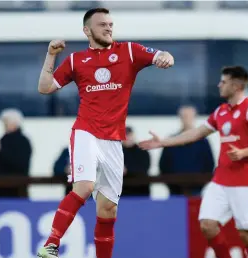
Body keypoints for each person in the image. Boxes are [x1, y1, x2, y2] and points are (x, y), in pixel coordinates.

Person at [37, 8, 174, 258]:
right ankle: (51, 244)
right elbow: (45, 88)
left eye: (110, 24)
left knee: (108, 209)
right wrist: (50, 55)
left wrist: (165, 56)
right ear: (87, 30)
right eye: (102, 24)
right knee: (85, 186)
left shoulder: (129, 51)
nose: (109, 28)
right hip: (86, 131)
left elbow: (161, 55)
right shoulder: (77, 60)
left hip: (113, 140)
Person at [139, 66, 248, 258]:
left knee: (246, 233)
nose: (219, 85)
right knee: (207, 225)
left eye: (223, 82)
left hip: (245, 182)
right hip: (221, 181)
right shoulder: (221, 111)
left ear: (235, 86)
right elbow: (196, 133)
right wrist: (164, 142)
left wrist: (243, 152)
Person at [159, 105, 214, 195]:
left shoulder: (203, 141)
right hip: (175, 191)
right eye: (184, 116)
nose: (187, 119)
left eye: (189, 116)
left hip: (197, 190)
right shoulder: (172, 140)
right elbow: (164, 164)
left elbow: (209, 164)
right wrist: (171, 184)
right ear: (180, 118)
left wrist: (201, 183)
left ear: (194, 117)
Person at [0, 108, 32, 197]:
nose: (4, 124)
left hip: (14, 190)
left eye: (6, 121)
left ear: (14, 123)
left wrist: (0, 150)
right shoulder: (3, 140)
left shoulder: (23, 141)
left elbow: (20, 163)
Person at [122, 126, 150, 196]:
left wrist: (127, 170)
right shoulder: (116, 152)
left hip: (140, 191)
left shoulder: (142, 150)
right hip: (122, 192)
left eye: (129, 135)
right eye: (125, 135)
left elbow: (144, 168)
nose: (127, 137)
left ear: (133, 135)